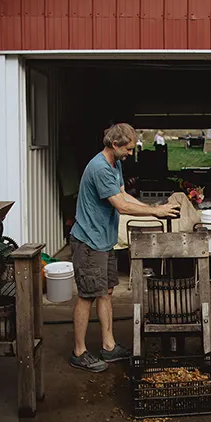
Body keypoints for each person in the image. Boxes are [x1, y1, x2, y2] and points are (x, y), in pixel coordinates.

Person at [69, 123, 179, 373]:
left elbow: (124, 195)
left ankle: (108, 346)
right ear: (114, 145)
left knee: (106, 291)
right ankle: (79, 352)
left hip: (104, 239)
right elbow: (121, 205)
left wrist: (153, 208)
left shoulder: (115, 164)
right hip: (88, 241)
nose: (130, 153)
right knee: (87, 295)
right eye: (128, 149)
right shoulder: (99, 168)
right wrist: (154, 211)